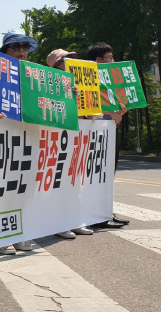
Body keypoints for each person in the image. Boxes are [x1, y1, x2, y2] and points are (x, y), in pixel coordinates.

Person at [0, 31, 38, 255]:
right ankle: (0, 236)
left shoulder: (36, 75)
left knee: (24, 189)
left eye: (25, 46)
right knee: (4, 190)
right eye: (16, 46)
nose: (22, 50)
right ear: (5, 52)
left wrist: (67, 93)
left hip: (28, 137)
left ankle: (19, 233)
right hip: (2, 139)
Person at [46, 49, 94, 239]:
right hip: (59, 139)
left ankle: (75, 221)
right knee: (60, 184)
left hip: (78, 138)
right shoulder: (48, 85)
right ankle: (58, 223)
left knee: (76, 184)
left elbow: (91, 113)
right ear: (56, 66)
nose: (72, 62)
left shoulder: (79, 84)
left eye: (73, 58)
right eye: (66, 60)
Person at [87, 42, 129, 227]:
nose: (113, 61)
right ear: (98, 60)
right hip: (95, 133)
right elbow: (87, 105)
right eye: (110, 58)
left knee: (108, 174)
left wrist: (119, 113)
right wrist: (108, 114)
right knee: (97, 174)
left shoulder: (110, 82)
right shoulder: (88, 79)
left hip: (110, 131)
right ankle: (97, 215)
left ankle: (106, 212)